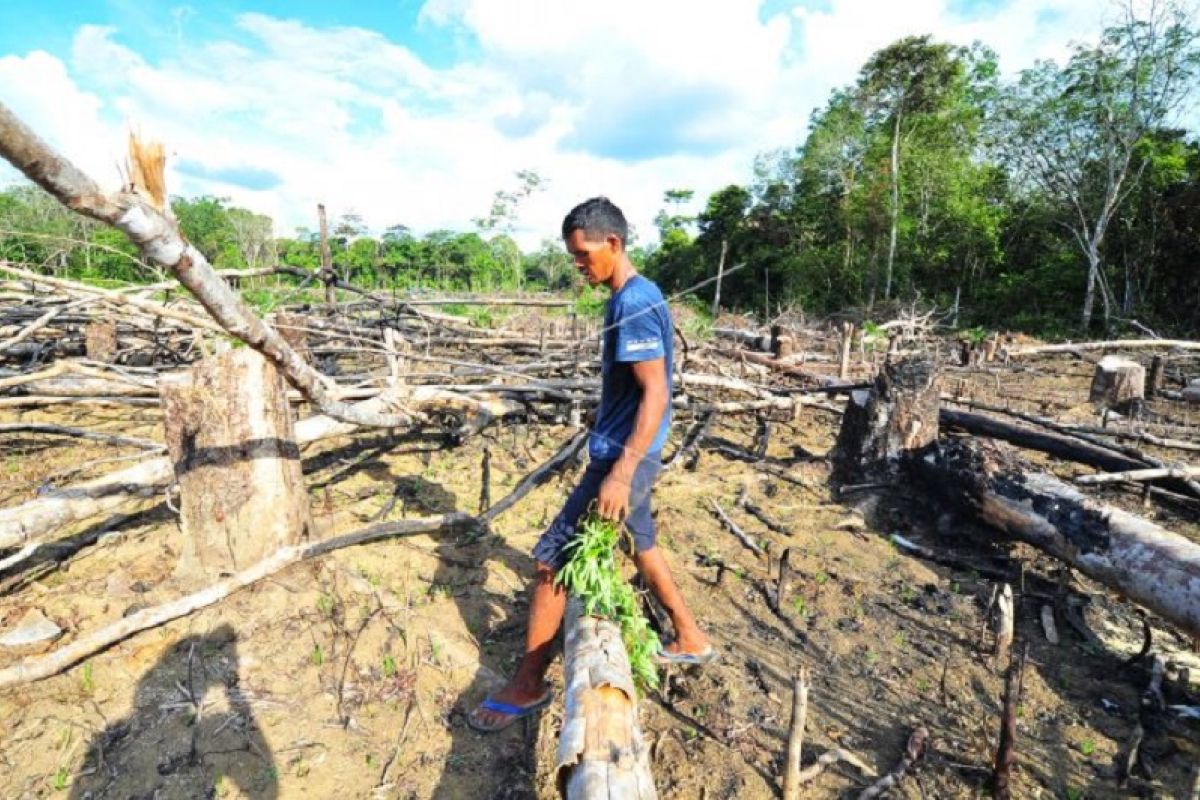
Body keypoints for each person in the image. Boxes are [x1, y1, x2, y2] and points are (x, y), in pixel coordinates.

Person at [469, 197, 713, 733]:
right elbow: (632, 394)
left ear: (614, 243)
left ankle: (527, 684)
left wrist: (621, 473)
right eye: (573, 257)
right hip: (624, 452)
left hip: (627, 461)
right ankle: (690, 635)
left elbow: (655, 395)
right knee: (639, 542)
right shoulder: (624, 299)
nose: (579, 265)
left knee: (551, 560)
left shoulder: (635, 302)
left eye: (583, 255)